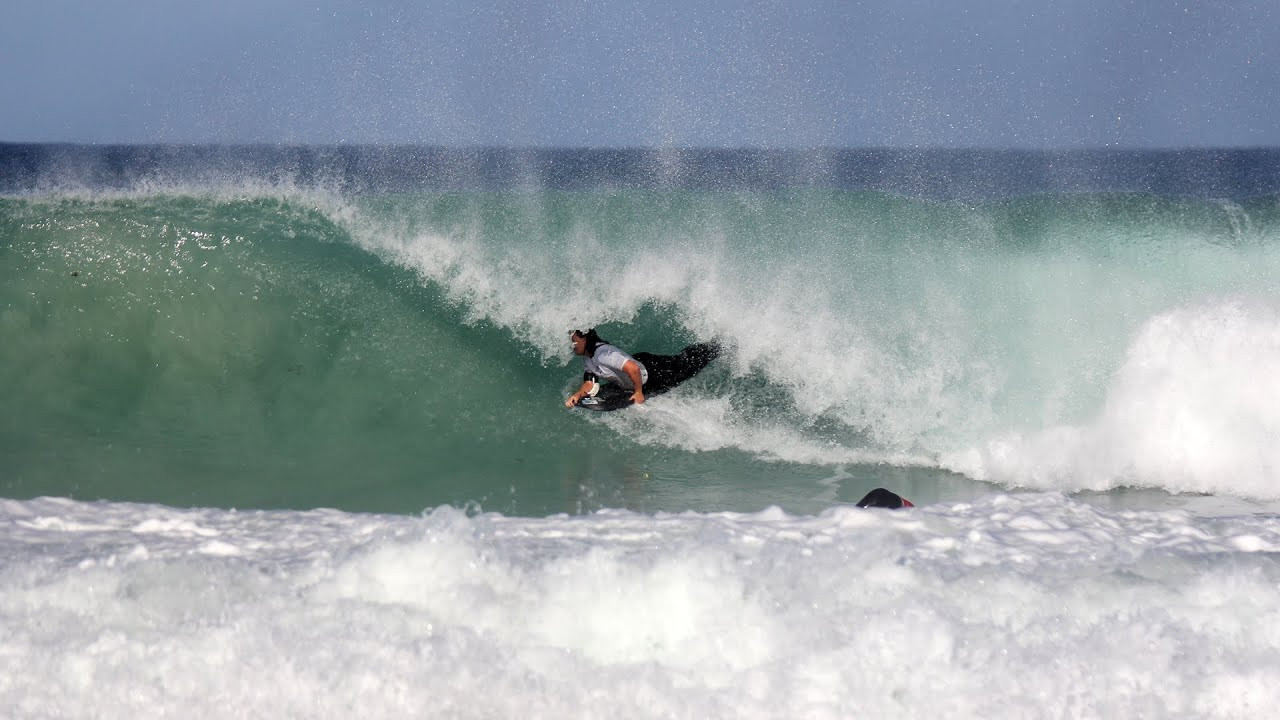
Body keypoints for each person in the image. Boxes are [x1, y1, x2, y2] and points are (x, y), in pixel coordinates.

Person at [564, 328, 720, 408]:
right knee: (682, 361)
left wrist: (638, 392)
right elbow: (590, 383)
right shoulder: (588, 357)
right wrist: (578, 395)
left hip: (653, 370)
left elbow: (633, 368)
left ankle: (717, 346)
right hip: (639, 364)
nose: (572, 346)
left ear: (585, 338)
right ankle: (711, 346)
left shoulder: (603, 353)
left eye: (574, 341)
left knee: (686, 366)